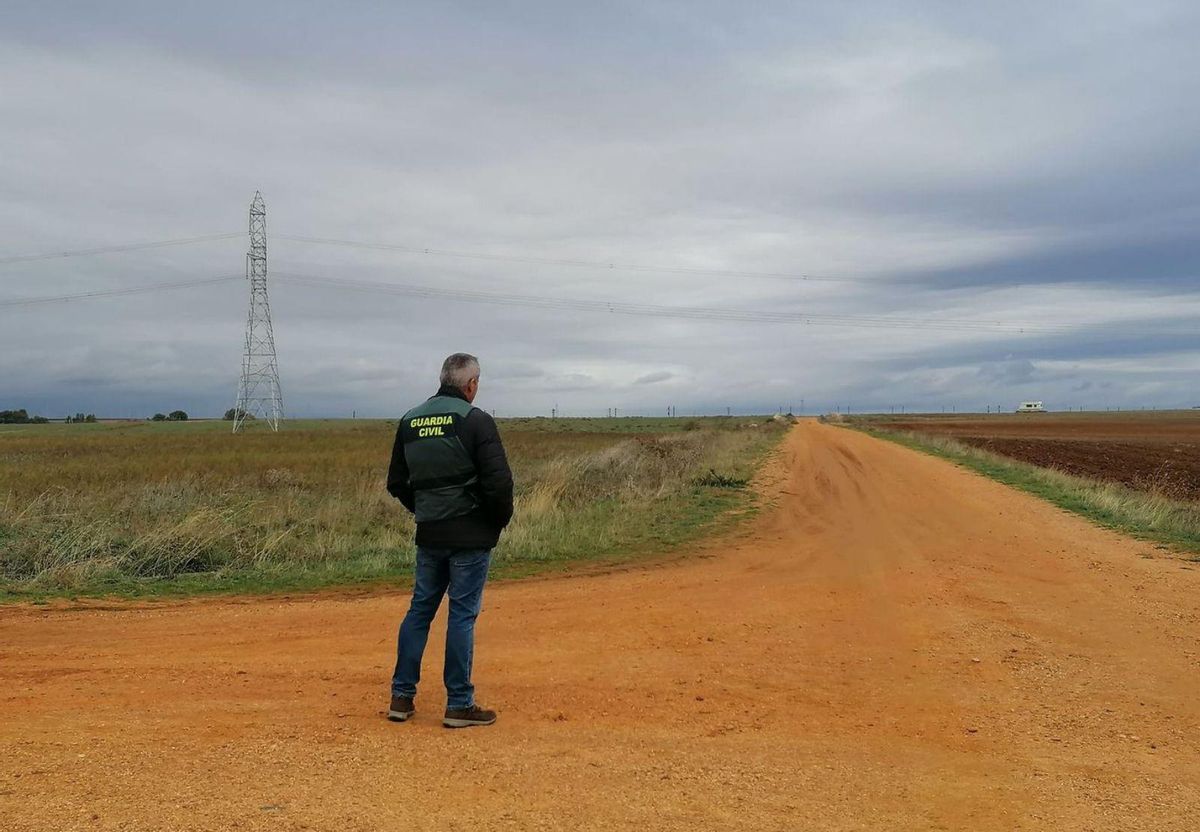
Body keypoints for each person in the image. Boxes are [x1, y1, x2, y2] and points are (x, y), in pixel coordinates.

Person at [385, 353, 514, 728]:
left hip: (429, 532)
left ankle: (401, 697)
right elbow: (499, 482)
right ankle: (458, 703)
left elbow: (396, 482)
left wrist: (423, 507)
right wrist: (496, 522)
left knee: (420, 610)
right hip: (470, 535)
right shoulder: (476, 421)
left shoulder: (410, 419)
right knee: (461, 615)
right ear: (471, 384)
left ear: (443, 379)